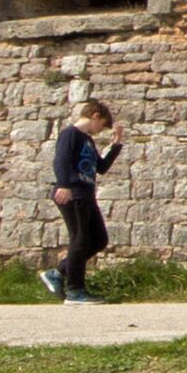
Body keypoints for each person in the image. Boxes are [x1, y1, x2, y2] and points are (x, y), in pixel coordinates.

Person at [41, 100, 124, 304]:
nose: (100, 130)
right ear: (95, 116)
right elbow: (61, 160)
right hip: (72, 192)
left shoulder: (88, 140)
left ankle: (57, 273)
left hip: (86, 194)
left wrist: (116, 143)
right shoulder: (71, 134)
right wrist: (63, 185)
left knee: (99, 240)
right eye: (101, 125)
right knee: (79, 239)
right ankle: (75, 291)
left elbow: (101, 167)